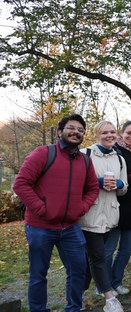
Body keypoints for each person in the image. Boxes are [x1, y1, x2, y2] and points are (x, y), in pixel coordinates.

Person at [13, 114, 99, 312]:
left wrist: (81, 208)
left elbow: (93, 189)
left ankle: (73, 308)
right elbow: (21, 184)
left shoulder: (85, 161)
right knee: (38, 274)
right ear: (60, 132)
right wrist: (42, 209)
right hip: (40, 227)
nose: (76, 132)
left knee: (78, 270)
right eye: (71, 128)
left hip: (70, 228)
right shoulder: (43, 153)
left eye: (80, 130)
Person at [80, 120, 128, 312]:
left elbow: (124, 188)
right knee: (97, 257)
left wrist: (118, 185)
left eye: (113, 132)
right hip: (89, 216)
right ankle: (109, 299)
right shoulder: (86, 154)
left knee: (90, 260)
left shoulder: (120, 159)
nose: (110, 135)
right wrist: (97, 182)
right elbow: (76, 184)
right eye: (105, 132)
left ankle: (78, 294)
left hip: (111, 217)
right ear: (96, 135)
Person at [104, 121, 131, 295]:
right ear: (122, 133)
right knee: (109, 250)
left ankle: (116, 281)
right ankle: (104, 286)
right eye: (129, 133)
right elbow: (111, 177)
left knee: (126, 249)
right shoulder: (114, 151)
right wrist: (130, 177)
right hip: (116, 207)